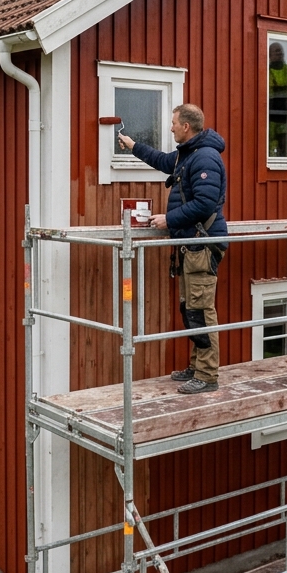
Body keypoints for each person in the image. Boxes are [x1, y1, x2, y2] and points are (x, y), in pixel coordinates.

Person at [118, 104, 228, 394]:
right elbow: (163, 161)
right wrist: (133, 146)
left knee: (201, 310)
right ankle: (197, 366)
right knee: (190, 308)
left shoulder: (204, 157)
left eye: (173, 123)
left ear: (186, 127)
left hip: (201, 244)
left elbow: (204, 204)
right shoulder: (188, 153)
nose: (170, 127)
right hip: (191, 243)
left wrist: (169, 219)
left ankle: (206, 376)